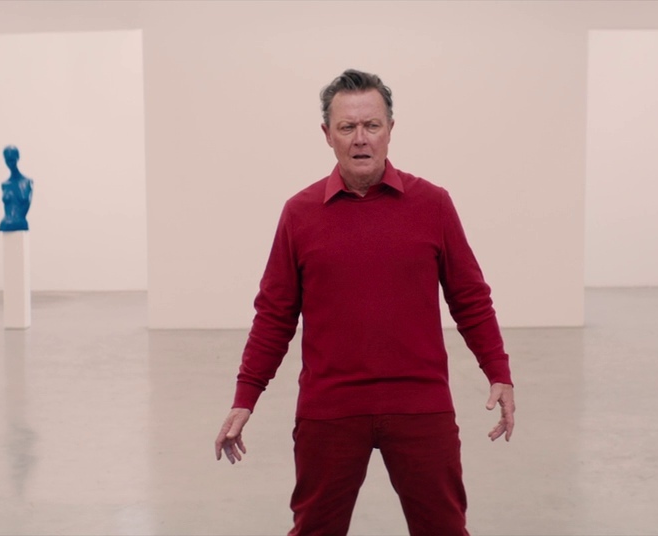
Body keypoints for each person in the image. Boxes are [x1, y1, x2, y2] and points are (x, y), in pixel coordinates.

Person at [213, 69, 516, 536]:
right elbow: (274, 315)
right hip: (329, 408)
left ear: (391, 130)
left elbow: (470, 297)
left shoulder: (432, 204)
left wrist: (498, 371)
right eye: (347, 127)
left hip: (420, 404)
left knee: (444, 529)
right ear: (326, 135)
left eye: (372, 125)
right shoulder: (300, 213)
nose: (361, 139)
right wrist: (245, 397)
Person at [0, 145, 34, 232]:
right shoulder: (5, 185)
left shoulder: (27, 182)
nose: (10, 163)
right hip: (6, 223)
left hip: (20, 223)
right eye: (7, 160)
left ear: (17, 157)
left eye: (12, 159)